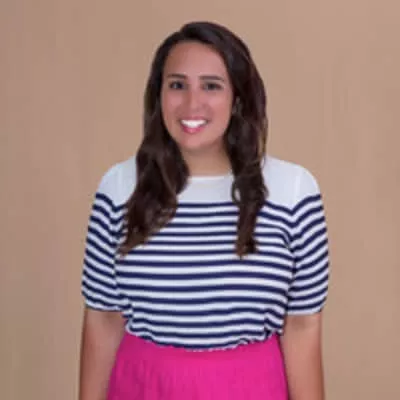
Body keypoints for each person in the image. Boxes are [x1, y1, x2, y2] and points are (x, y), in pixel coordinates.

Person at [78, 21, 330, 400]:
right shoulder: (119, 187)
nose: (192, 103)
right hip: (144, 387)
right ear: (158, 95)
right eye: (177, 85)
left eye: (211, 86)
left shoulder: (293, 192)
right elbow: (103, 317)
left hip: (251, 388)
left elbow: (302, 326)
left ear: (238, 98)